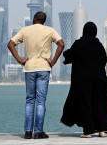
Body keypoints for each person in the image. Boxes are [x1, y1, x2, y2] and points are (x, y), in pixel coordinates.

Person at [7, 11, 64, 139]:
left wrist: (20, 60)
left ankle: (28, 132)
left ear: (34, 19)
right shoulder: (50, 30)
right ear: (44, 21)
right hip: (44, 67)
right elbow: (61, 44)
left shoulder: (25, 30)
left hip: (29, 68)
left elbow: (10, 44)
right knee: (40, 101)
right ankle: (38, 132)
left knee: (29, 100)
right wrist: (53, 61)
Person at [60, 21, 107, 138]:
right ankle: (102, 130)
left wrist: (65, 53)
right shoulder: (98, 45)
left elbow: (69, 55)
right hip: (99, 78)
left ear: (84, 31)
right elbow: (104, 59)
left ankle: (88, 131)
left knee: (85, 103)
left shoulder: (79, 44)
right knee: (99, 102)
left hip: (82, 79)